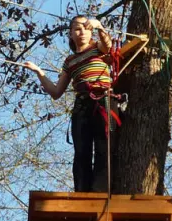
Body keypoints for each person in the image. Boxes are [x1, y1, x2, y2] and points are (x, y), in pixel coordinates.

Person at [24, 16, 121, 192]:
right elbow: (56, 92)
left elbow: (107, 45)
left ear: (91, 32)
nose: (82, 31)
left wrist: (99, 26)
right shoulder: (69, 61)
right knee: (81, 152)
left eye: (85, 28)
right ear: (70, 34)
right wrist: (39, 72)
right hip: (82, 105)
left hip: (103, 100)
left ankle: (100, 192)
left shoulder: (97, 48)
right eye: (77, 29)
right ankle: (82, 192)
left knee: (103, 148)